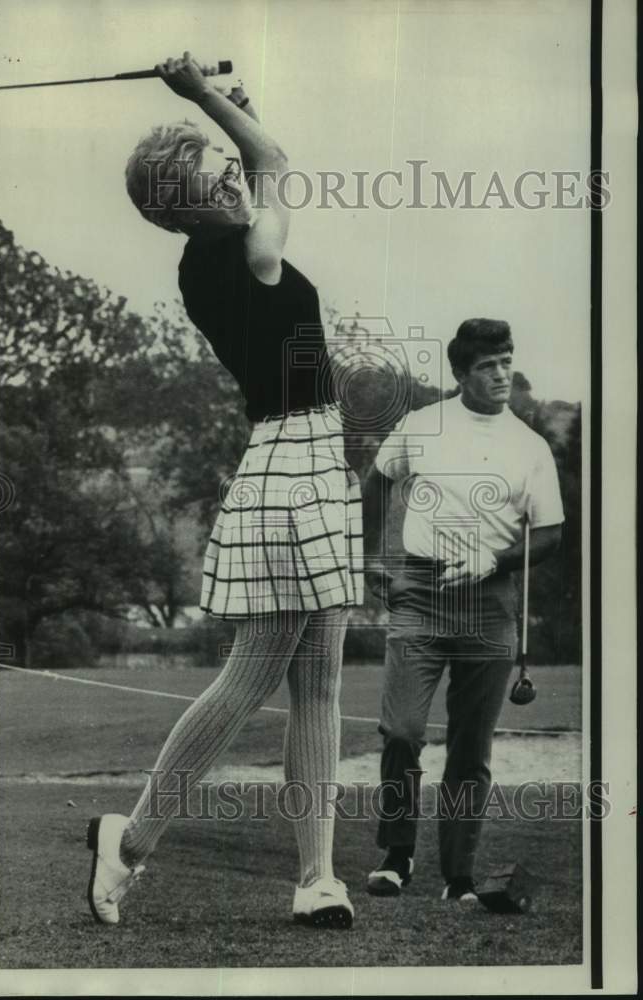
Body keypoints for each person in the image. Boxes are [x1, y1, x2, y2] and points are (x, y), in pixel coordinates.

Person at [86, 53, 363, 929]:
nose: (234, 184)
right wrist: (202, 96)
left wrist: (229, 110)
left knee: (319, 688)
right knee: (251, 681)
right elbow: (274, 166)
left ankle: (317, 878)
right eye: (214, 178)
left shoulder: (212, 255)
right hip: (290, 473)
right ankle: (128, 844)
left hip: (313, 466)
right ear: (189, 207)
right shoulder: (248, 253)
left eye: (222, 167)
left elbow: (255, 166)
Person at [363, 318, 564, 902]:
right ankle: (396, 857)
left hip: (492, 600)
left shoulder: (529, 446)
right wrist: (372, 559)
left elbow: (550, 535)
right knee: (401, 731)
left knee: (470, 747)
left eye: (506, 361)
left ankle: (458, 877)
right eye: (487, 366)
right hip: (420, 592)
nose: (502, 374)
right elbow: (374, 484)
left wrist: (494, 560)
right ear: (460, 374)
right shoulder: (421, 425)